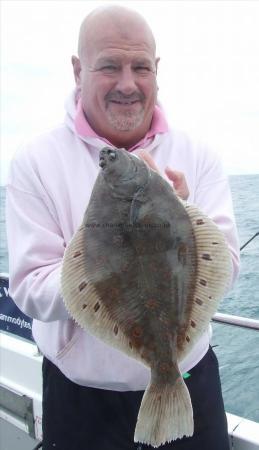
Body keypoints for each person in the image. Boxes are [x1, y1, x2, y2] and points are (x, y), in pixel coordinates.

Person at [6, 5, 240, 450]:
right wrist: (102, 259)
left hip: (190, 380)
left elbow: (226, 264)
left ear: (157, 70)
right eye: (109, 66)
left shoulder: (200, 153)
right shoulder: (35, 161)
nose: (128, 84)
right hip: (82, 402)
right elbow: (29, 289)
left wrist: (181, 228)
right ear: (78, 70)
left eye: (141, 67)